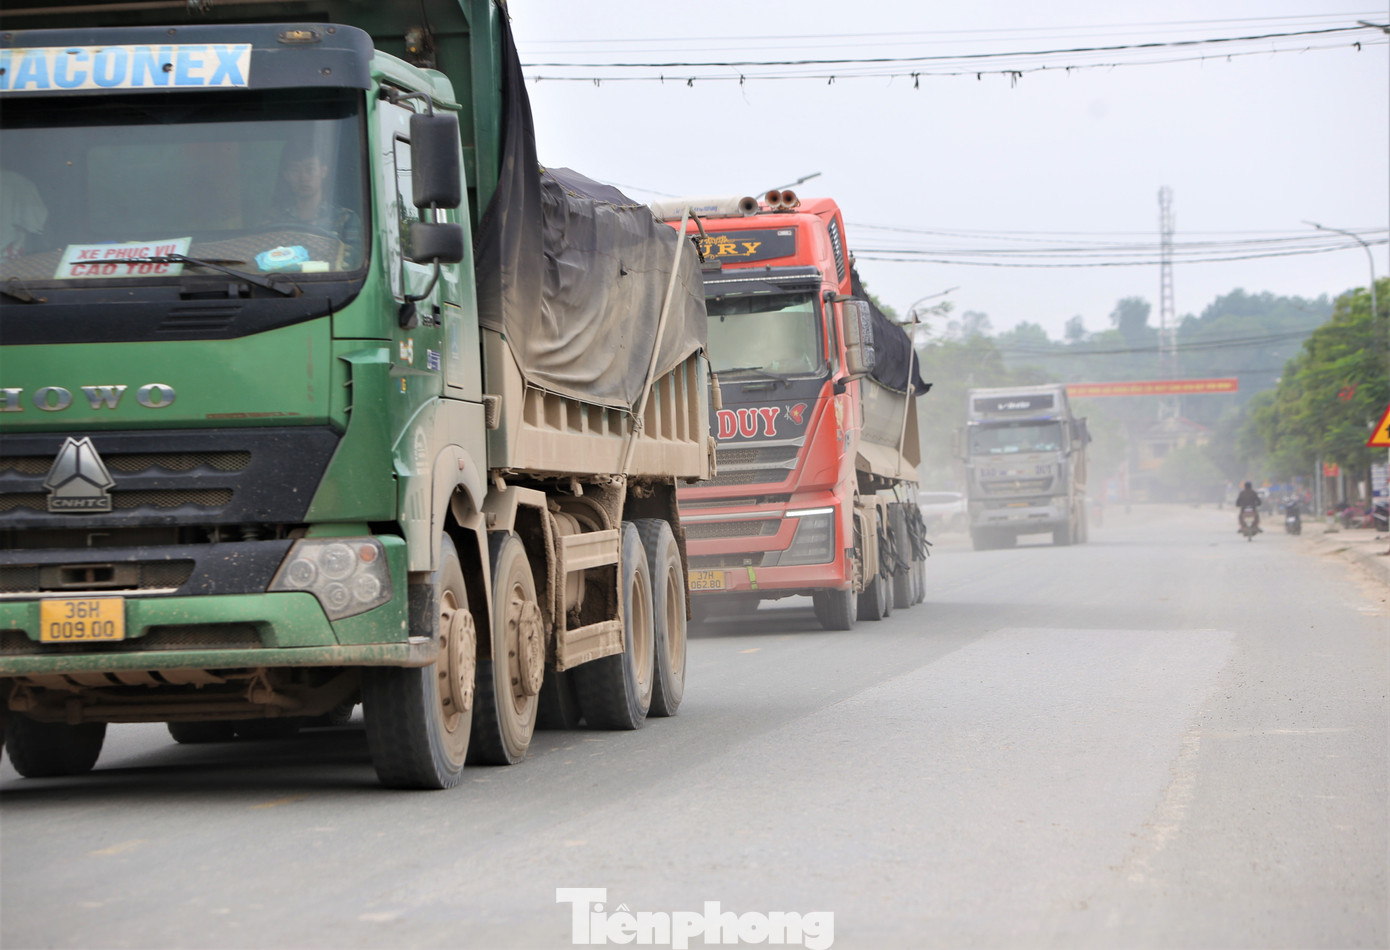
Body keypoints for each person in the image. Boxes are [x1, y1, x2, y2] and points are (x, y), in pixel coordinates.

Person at [264, 140, 362, 262]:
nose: (303, 177)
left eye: (310, 169)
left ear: (323, 171)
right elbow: (263, 259)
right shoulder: (273, 220)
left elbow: (353, 263)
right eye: (295, 170)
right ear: (286, 175)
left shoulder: (346, 219)